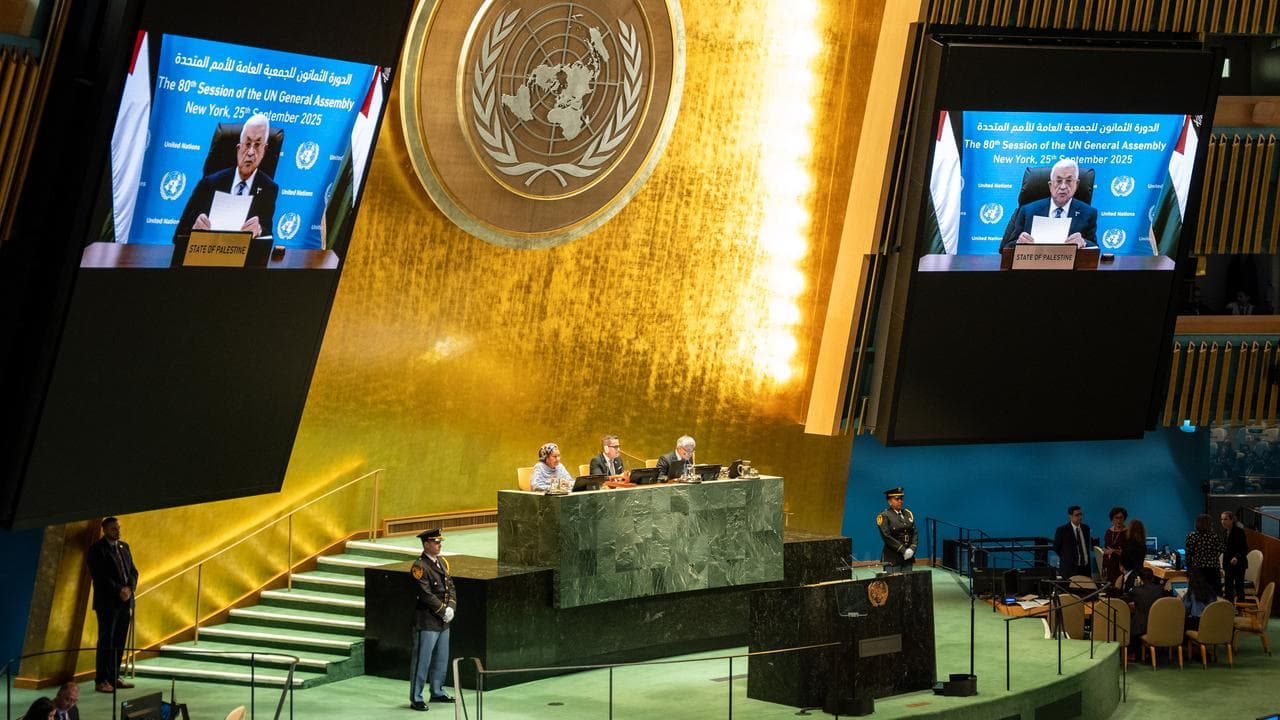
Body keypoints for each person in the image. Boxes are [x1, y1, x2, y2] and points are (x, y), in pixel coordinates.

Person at [175, 113, 279, 239]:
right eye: (247, 144)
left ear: (264, 150)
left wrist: (260, 230)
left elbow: (268, 235)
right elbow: (180, 234)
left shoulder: (269, 189)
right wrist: (194, 228)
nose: (251, 152)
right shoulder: (209, 184)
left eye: (257, 145)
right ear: (238, 148)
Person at [86, 516, 138, 693]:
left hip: (125, 602)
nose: (118, 532)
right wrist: (119, 590)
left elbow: (133, 571)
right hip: (107, 603)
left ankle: (113, 677)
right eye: (113, 529)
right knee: (106, 641)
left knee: (119, 641)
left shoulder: (124, 547)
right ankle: (101, 680)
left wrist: (130, 588)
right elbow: (99, 576)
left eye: (118, 528)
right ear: (105, 530)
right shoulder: (96, 549)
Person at [1000, 157, 1098, 249]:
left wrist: (1083, 242)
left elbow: (1094, 248)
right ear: (1050, 185)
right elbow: (1006, 248)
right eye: (1058, 181)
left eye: (1069, 181)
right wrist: (1019, 243)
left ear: (1076, 184)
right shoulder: (1027, 211)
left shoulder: (1088, 213)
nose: (1063, 187)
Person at [409, 528, 455, 710]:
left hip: (442, 621)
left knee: (441, 659)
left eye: (439, 542)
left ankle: (437, 691)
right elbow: (425, 594)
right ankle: (416, 697)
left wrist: (451, 607)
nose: (439, 545)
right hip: (427, 620)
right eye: (436, 542)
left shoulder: (441, 562)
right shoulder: (419, 567)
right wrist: (443, 610)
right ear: (426, 544)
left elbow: (451, 587)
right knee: (422, 661)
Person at [1127, 568, 1174, 650]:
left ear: (1139, 578)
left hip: (1141, 628)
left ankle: (1133, 652)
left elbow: (1124, 599)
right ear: (1152, 577)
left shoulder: (1136, 590)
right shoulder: (1160, 589)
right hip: (1159, 625)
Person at [876, 487, 917, 573]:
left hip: (908, 557)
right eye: (897, 499)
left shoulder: (908, 514)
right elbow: (886, 536)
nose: (900, 501)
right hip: (892, 558)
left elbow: (914, 532)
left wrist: (912, 548)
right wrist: (903, 550)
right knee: (893, 580)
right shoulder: (884, 515)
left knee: (908, 580)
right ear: (889, 501)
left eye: (901, 499)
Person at [1184, 513, 1223, 591]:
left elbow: (1188, 553)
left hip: (1198, 568)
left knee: (1198, 592)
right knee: (1212, 592)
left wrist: (1189, 569)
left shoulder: (1192, 536)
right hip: (1212, 568)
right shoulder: (1214, 536)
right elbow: (1221, 549)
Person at [1052, 506, 1092, 579]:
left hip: (1085, 568)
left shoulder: (1086, 528)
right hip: (1070, 569)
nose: (1080, 517)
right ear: (1070, 516)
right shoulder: (1062, 530)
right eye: (1077, 515)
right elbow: (1056, 548)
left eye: (1081, 514)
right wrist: (1067, 558)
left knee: (1087, 586)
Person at [1221, 510, 1248, 602]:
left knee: (1239, 587)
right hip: (1228, 564)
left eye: (1225, 519)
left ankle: (1241, 607)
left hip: (1239, 564)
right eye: (1221, 519)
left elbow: (1244, 548)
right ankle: (1229, 607)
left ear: (1232, 520)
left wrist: (1236, 557)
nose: (1223, 521)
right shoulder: (1225, 532)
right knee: (1228, 587)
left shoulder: (1239, 532)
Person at [1101, 506, 1128, 587]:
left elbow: (1129, 552)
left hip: (1122, 566)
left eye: (1121, 518)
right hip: (1110, 565)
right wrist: (1104, 567)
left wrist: (1114, 551)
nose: (1119, 520)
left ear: (1124, 518)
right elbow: (1106, 551)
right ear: (1112, 519)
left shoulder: (1128, 532)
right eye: (1116, 518)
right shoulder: (1109, 532)